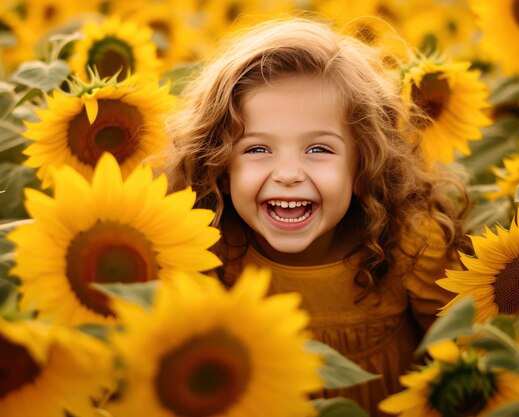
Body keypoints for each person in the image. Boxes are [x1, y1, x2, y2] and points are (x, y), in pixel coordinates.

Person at [164, 17, 469, 417]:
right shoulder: (208, 256)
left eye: (319, 150)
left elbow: (468, 350)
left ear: (365, 168)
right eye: (257, 150)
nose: (288, 174)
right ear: (220, 169)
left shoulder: (409, 244)